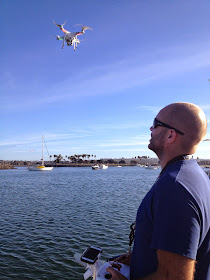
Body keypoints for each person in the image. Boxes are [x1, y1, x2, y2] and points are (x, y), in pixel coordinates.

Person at [107, 102, 210, 280]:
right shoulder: (196, 176)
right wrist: (136, 258)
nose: (150, 128)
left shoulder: (175, 187)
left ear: (171, 135)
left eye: (155, 123)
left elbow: (175, 277)